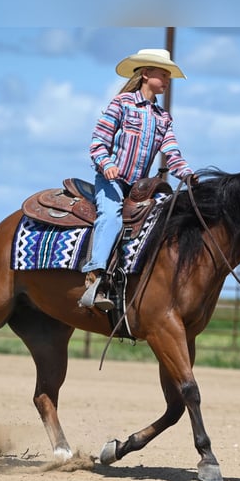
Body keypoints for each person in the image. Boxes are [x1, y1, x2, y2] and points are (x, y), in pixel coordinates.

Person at [80, 48, 195, 311]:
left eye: (169, 76)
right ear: (145, 74)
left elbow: (172, 153)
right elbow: (98, 142)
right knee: (110, 215)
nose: (166, 81)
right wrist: (107, 164)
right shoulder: (121, 104)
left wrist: (188, 174)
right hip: (112, 182)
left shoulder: (162, 118)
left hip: (142, 188)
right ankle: (95, 276)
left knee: (170, 213)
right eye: (163, 75)